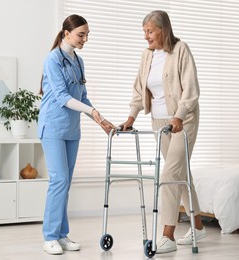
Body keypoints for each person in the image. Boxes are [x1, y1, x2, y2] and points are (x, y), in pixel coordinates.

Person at [119, 10, 206, 254]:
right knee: (181, 173)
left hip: (183, 120)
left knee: (169, 174)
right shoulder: (147, 55)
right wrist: (131, 117)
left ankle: (168, 235)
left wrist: (179, 115)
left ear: (163, 30)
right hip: (159, 122)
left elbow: (190, 89)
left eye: (150, 31)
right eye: (144, 32)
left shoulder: (181, 50)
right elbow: (139, 89)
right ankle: (198, 226)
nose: (146, 36)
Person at [38, 14, 115, 255]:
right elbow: (62, 97)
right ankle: (49, 236)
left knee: (65, 183)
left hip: (72, 130)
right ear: (66, 33)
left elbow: (82, 97)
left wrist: (99, 118)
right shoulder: (52, 59)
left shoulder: (78, 61)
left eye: (87, 34)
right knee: (59, 180)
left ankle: (61, 235)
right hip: (52, 127)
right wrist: (91, 111)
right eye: (81, 34)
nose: (85, 39)